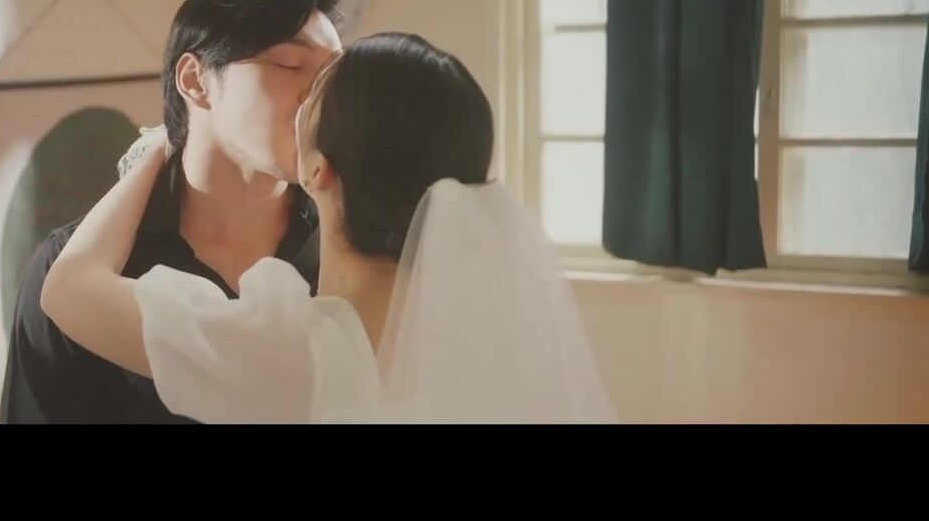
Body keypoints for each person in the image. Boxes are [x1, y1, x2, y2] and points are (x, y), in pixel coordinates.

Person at [39, 32, 618, 424]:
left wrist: (155, 149)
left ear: (317, 169)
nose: (297, 96)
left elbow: (68, 290)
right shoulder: (489, 339)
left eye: (313, 92)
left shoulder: (293, 352)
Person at [0, 0, 343, 423]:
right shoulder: (68, 262)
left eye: (333, 76)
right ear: (195, 81)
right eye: (290, 64)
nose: (320, 98)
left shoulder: (357, 253)